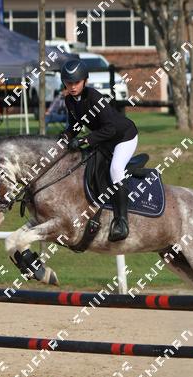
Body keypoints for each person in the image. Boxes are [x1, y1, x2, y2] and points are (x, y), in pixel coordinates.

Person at [59, 58, 139, 242]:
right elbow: (75, 126)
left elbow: (110, 128)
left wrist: (83, 140)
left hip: (124, 137)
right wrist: (66, 136)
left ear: (85, 81)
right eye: (68, 83)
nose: (72, 86)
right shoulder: (69, 100)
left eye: (76, 82)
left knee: (115, 169)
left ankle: (122, 221)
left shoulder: (94, 97)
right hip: (104, 139)